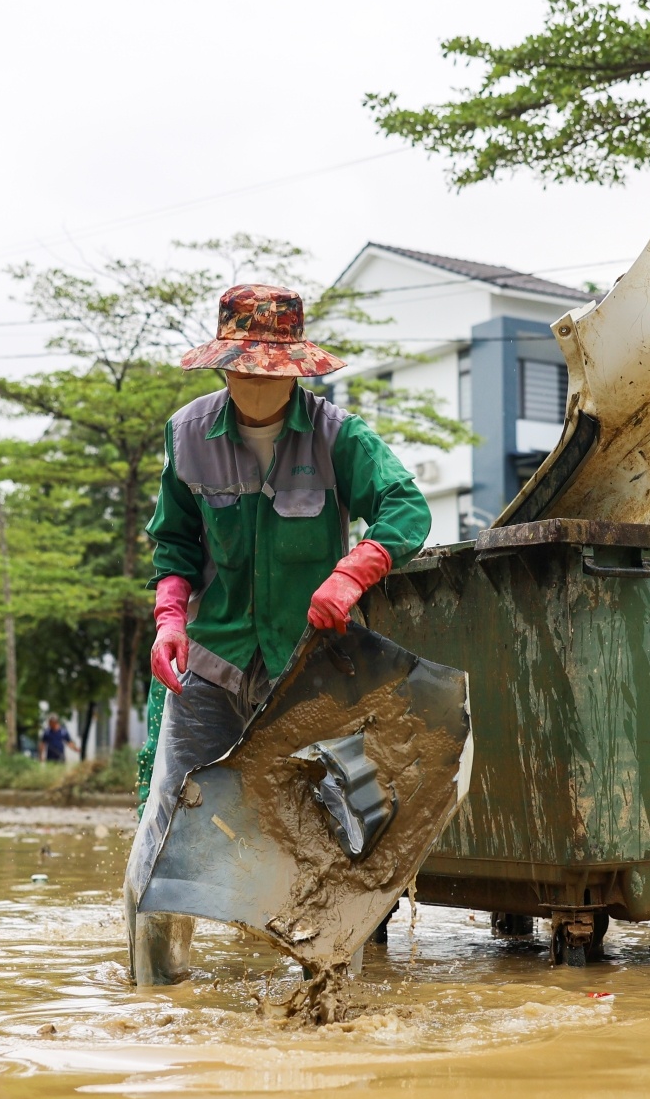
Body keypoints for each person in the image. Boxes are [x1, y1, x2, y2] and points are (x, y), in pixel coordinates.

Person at [124, 283, 432, 986]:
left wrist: (352, 574)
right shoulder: (187, 436)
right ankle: (155, 996)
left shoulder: (338, 437)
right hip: (211, 662)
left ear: (296, 369)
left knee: (338, 829)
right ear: (223, 365)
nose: (256, 382)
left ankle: (327, 994)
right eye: (244, 368)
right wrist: (169, 619)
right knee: (168, 824)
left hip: (310, 668)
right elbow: (173, 544)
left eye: (271, 369)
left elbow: (406, 509)